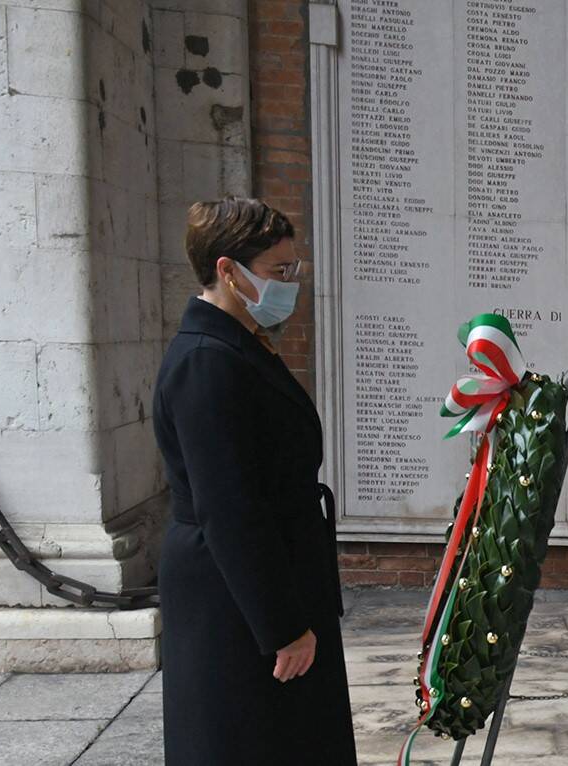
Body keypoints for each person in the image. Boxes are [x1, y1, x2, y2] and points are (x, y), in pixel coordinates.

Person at [152, 196, 357, 764]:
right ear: (227, 271)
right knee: (249, 739)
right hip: (236, 598)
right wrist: (283, 627)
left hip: (273, 573)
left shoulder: (237, 345)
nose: (290, 283)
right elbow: (229, 506)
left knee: (288, 736)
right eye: (277, 271)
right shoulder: (206, 362)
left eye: (293, 269)